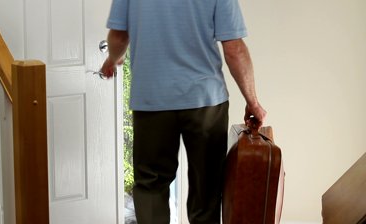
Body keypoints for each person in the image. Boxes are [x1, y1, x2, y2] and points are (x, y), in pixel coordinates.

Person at [101, 0, 266, 223]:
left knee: (151, 184)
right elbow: (234, 48)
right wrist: (252, 101)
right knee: (206, 188)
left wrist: (113, 58)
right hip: (205, 101)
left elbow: (119, 36)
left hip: (152, 100)